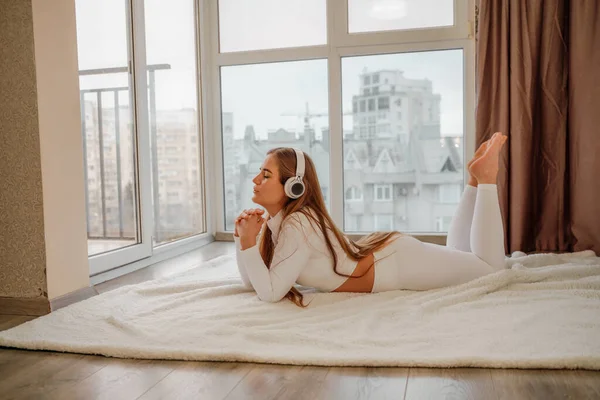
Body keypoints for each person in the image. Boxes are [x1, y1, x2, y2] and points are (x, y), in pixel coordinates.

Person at [234, 132, 508, 306]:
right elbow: (254, 283)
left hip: (398, 265)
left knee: (491, 268)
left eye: (266, 175)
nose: (256, 180)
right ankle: (474, 180)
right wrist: (241, 239)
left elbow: (270, 293)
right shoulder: (284, 223)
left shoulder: (298, 225)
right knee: (461, 256)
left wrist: (248, 244)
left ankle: (485, 180)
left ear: (294, 185)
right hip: (390, 259)